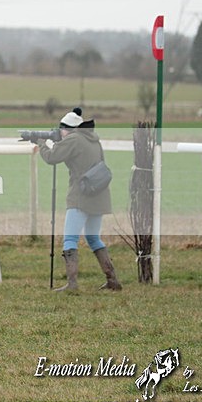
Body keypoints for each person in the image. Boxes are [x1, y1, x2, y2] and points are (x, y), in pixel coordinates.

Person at [36, 107, 122, 291]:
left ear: (66, 129)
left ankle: (72, 284)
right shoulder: (92, 139)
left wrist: (42, 143)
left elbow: (52, 157)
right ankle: (112, 280)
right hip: (99, 195)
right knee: (94, 238)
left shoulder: (74, 139)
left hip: (80, 197)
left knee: (70, 239)